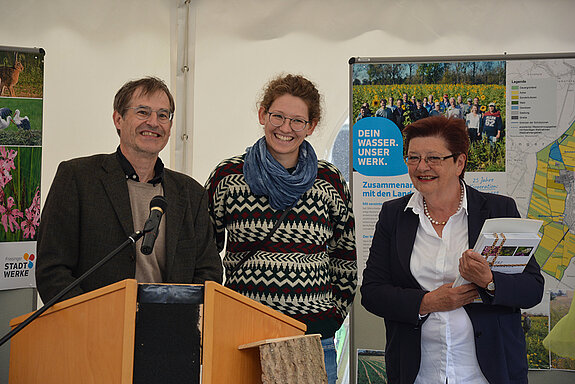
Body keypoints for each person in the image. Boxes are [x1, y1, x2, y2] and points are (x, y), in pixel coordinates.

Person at [361, 116, 544, 384]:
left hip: (487, 374)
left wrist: (489, 281)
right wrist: (427, 303)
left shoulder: (498, 209)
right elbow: (372, 292)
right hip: (418, 374)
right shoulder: (393, 215)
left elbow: (532, 288)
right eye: (413, 158)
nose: (421, 167)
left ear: (459, 162)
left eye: (433, 158)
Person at [205, 74, 357, 384]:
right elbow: (203, 250)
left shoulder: (329, 180)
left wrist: (333, 317)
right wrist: (221, 312)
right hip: (242, 336)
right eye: (278, 116)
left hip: (312, 337)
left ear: (311, 126)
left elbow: (345, 255)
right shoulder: (228, 176)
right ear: (263, 114)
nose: (285, 128)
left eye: (297, 121)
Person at [36, 77, 223, 303]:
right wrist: (93, 320)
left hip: (169, 328)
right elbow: (52, 270)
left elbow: (208, 273)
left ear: (170, 127)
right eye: (143, 112)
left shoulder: (191, 193)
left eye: (163, 115)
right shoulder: (77, 177)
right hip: (93, 328)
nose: (153, 122)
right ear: (118, 119)